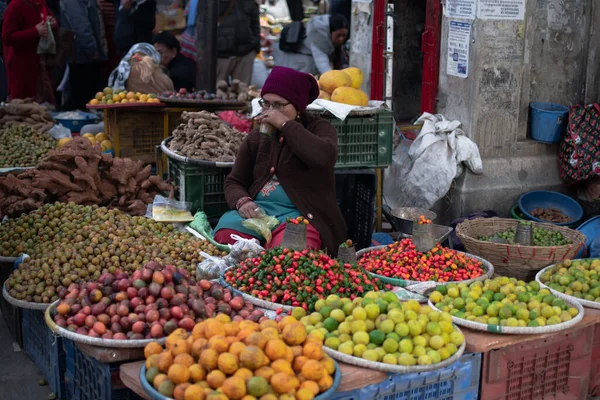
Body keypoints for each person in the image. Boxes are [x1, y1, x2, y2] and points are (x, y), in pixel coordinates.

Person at [214, 66, 347, 256]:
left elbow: (324, 157)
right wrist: (242, 202)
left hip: (299, 216)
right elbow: (234, 180)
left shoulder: (319, 128)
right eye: (266, 104)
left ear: (298, 107)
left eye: (278, 105)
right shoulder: (257, 137)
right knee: (226, 237)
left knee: (288, 256)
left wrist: (285, 125)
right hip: (260, 214)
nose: (270, 111)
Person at [180, 0, 260, 85]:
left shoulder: (248, 2)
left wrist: (254, 48)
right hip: (219, 54)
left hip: (245, 53)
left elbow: (255, 25)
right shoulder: (207, 2)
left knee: (242, 91)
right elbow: (201, 26)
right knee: (217, 92)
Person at [2, 0, 58, 103]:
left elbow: (50, 21)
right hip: (22, 68)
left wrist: (53, 23)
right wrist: (35, 31)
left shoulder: (41, 4)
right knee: (23, 108)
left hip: (41, 66)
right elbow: (7, 37)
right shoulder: (16, 5)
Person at [60, 0, 107, 109]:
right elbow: (80, 25)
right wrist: (91, 48)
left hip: (86, 54)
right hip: (82, 56)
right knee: (83, 99)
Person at [275, 14, 348, 76]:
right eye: (338, 35)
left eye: (344, 35)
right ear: (330, 32)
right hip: (293, 64)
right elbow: (322, 64)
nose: (341, 39)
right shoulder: (319, 37)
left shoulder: (321, 31)